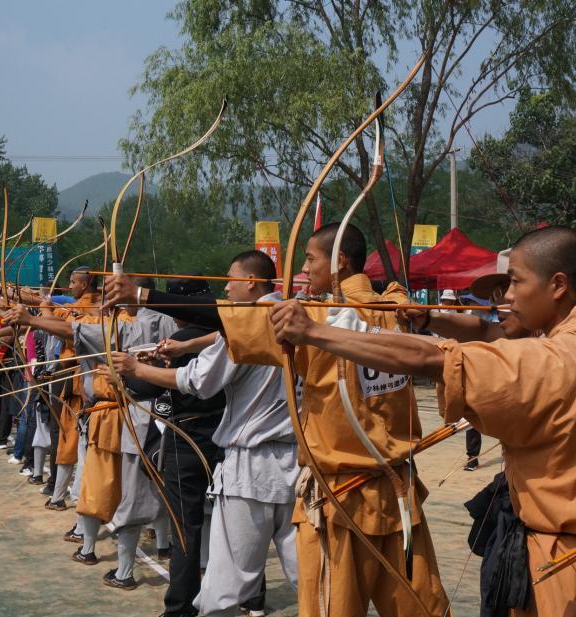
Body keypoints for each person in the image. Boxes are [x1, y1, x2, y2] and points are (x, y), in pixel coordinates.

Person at [270, 225, 576, 616]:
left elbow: (431, 358)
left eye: (517, 282)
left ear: (558, 285)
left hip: (560, 576)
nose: (509, 297)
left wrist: (314, 332)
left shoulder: (542, 361)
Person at [106, 223, 451, 617]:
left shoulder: (318, 321)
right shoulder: (393, 311)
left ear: (339, 261)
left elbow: (224, 337)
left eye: (309, 259)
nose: (303, 270)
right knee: (408, 601)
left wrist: (142, 298)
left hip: (321, 487)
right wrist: (189, 343)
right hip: (392, 487)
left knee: (277, 595)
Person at [107, 251, 300, 616]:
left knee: (222, 583)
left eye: (230, 279)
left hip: (247, 464)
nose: (225, 288)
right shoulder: (299, 317)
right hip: (295, 462)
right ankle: (256, 601)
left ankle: (181, 607)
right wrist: (186, 346)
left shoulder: (246, 326)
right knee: (308, 575)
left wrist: (135, 369)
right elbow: (224, 331)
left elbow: (195, 380)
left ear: (250, 282)